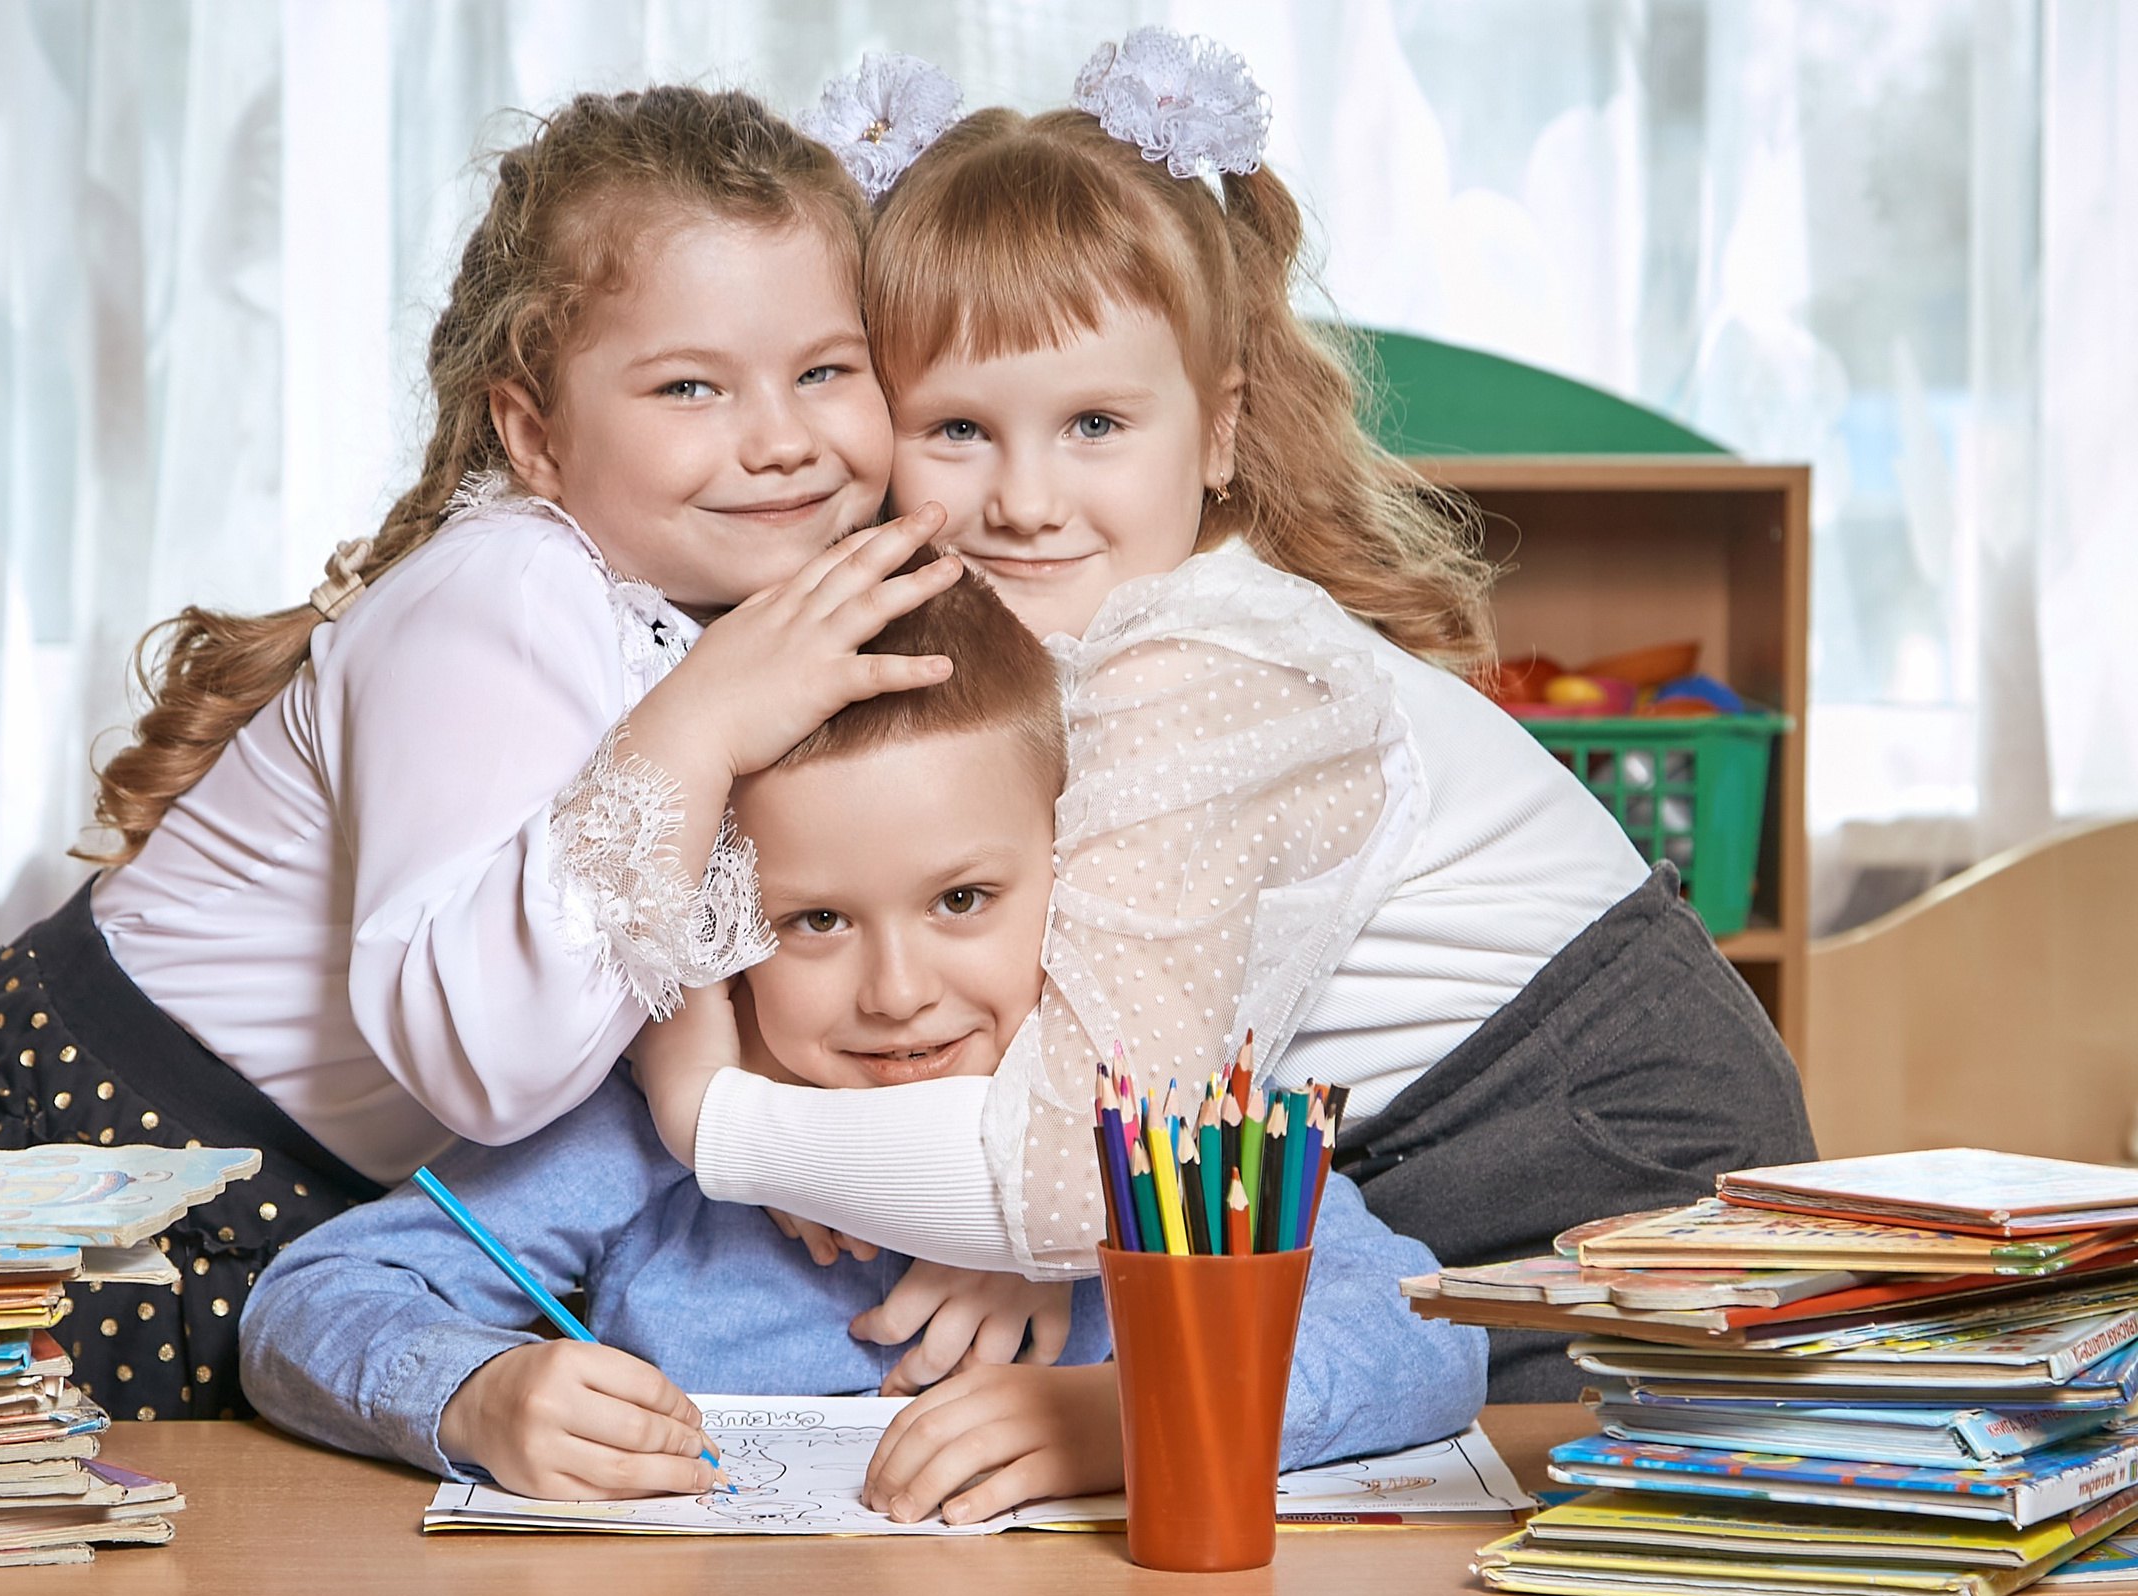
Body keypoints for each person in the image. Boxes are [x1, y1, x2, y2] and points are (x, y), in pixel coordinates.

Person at [635, 35, 1815, 1402]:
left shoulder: (1207, 669)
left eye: (1093, 423)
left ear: (1215, 431)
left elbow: (1083, 1170)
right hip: (1380, 1165)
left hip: (1613, 1180)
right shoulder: (1048, 643)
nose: (1025, 497)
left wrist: (714, 1117)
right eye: (957, 428)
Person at [0, 85, 998, 1421]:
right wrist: (696, 727)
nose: (783, 435)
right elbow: (488, 1067)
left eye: (825, 369)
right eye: (692, 385)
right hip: (86, 1165)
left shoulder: (737, 622)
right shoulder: (507, 589)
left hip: (303, 1209)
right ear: (533, 434)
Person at [240, 575, 1485, 1518]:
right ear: (726, 926)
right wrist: (475, 1394)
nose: (897, 993)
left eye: (962, 901)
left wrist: (1128, 1417)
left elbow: (1429, 1331)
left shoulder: (1159, 1111)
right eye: (815, 920)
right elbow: (305, 1305)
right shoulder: (640, 1128)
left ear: (1072, 879)